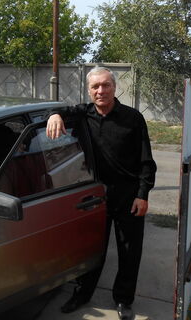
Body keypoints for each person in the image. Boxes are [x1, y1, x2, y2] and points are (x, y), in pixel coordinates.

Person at [46, 66, 156, 320]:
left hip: (129, 195)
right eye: (95, 86)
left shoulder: (133, 118)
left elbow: (146, 161)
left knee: (129, 251)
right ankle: (82, 294)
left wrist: (143, 195)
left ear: (115, 88)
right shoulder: (83, 114)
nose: (101, 91)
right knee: (91, 249)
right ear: (88, 90)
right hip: (94, 196)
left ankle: (124, 300)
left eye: (106, 85)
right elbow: (57, 110)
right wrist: (54, 115)